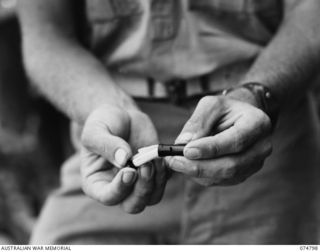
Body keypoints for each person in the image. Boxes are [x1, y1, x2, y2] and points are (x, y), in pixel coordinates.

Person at [18, 0, 320, 244]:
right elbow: (46, 34)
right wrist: (107, 107)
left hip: (265, 139)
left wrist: (259, 95)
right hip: (119, 132)